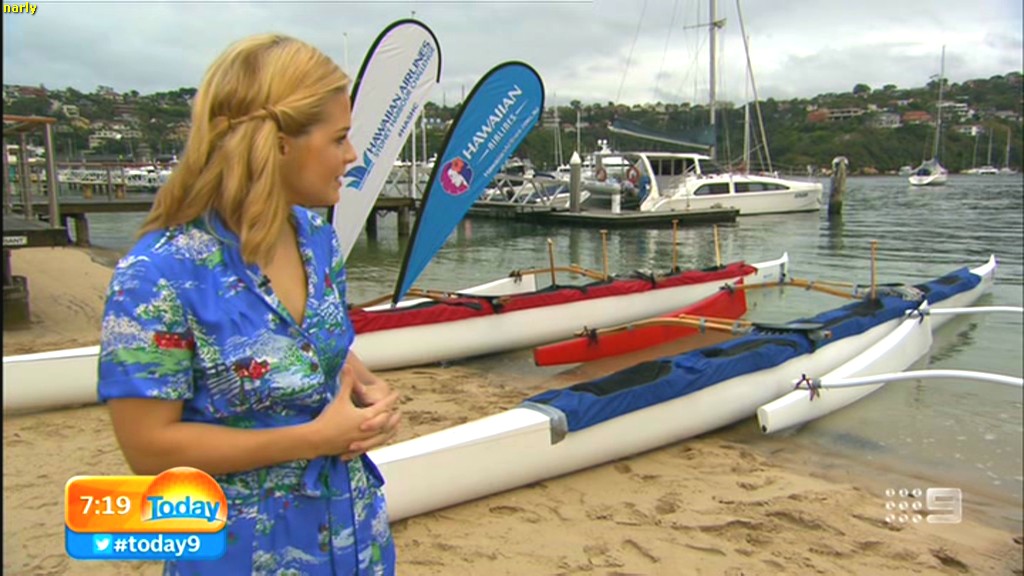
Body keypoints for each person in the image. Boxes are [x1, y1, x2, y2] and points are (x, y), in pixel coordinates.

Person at [96, 33, 402, 575]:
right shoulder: (157, 276)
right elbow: (148, 449)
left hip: (354, 537)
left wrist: (367, 389)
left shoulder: (317, 239)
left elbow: (315, 348)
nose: (352, 155)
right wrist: (313, 439)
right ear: (279, 145)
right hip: (241, 552)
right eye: (339, 138)